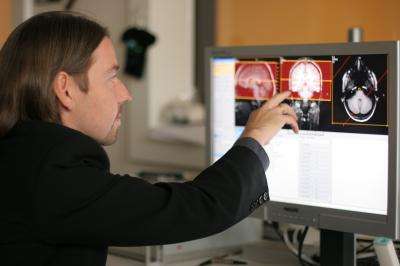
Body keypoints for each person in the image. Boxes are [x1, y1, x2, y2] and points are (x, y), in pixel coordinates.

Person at [0, 11, 299, 266]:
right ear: (65, 89)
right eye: (110, 78)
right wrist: (255, 137)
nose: (125, 94)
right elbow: (199, 208)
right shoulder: (53, 174)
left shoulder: (20, 153)